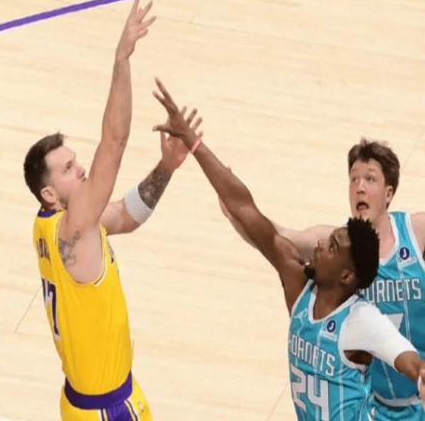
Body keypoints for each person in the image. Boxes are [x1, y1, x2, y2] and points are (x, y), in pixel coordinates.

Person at [150, 78, 425, 420]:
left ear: (346, 275)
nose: (320, 245)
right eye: (354, 178)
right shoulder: (297, 285)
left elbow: (407, 358)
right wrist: (194, 143)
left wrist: (420, 373)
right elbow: (247, 209)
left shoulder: (361, 319)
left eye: (331, 246)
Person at [23, 0, 201, 421]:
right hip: (107, 409)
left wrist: (167, 167)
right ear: (50, 194)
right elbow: (114, 142)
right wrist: (122, 59)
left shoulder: (52, 225)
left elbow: (125, 216)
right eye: (68, 169)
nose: (82, 169)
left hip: (88, 398)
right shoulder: (73, 229)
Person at [220, 139, 425, 419]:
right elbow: (277, 239)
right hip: (372, 403)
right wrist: (237, 214)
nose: (360, 187)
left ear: (388, 193)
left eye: (369, 179)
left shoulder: (414, 232)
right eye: (353, 179)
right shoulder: (336, 248)